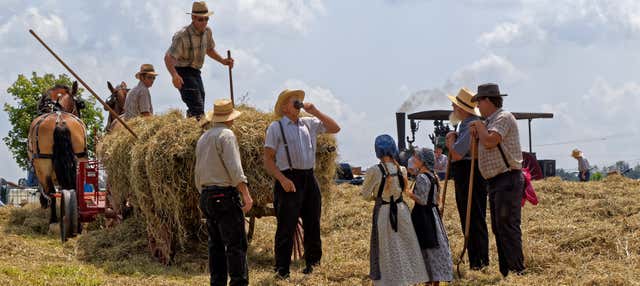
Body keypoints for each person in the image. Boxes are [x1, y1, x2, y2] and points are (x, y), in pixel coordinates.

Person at [263, 89, 340, 278]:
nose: (298, 103)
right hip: (289, 178)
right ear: (284, 107)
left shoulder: (309, 123)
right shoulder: (276, 127)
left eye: (299, 100)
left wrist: (315, 111)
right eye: (293, 101)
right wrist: (282, 180)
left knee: (313, 222)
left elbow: (335, 128)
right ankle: (282, 270)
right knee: (286, 226)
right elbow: (268, 159)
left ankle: (313, 264)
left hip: (308, 177)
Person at [469, 83, 526, 277]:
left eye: (479, 102)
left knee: (507, 226)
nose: (478, 106)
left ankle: (516, 271)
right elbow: (481, 147)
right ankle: (506, 272)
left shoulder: (503, 117)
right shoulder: (488, 122)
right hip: (495, 182)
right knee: (498, 227)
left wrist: (479, 127)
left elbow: (491, 141)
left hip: (507, 178)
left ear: (487, 100)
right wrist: (477, 133)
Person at [195, 99, 253, 286]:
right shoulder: (226, 135)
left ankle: (217, 282)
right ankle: (238, 282)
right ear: (229, 119)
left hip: (206, 195)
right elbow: (234, 168)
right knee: (236, 244)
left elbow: (198, 172)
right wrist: (245, 193)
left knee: (216, 245)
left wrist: (204, 194)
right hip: (224, 195)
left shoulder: (203, 137)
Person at [361, 135, 428, 286]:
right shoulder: (402, 169)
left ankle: (387, 280)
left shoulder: (374, 170)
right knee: (405, 243)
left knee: (385, 246)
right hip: (401, 210)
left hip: (384, 211)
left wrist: (376, 197)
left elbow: (365, 195)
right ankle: (408, 277)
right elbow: (404, 190)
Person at [444, 87, 490, 270]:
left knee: (471, 216)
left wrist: (449, 141)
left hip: (469, 174)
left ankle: (477, 261)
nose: (452, 108)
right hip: (471, 173)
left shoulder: (470, 125)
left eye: (454, 105)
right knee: (474, 217)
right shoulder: (468, 124)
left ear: (461, 109)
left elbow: (456, 154)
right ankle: (479, 260)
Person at [164, 1, 234, 119]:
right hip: (182, 71)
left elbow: (209, 50)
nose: (204, 23)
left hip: (196, 72)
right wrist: (174, 75)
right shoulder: (182, 35)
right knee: (197, 105)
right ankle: (197, 130)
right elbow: (168, 57)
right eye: (201, 20)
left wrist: (222, 61)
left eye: (206, 19)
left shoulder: (207, 32)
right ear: (193, 17)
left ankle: (191, 124)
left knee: (200, 98)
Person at [408, 148, 453, 285]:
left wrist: (408, 192)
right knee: (432, 248)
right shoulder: (433, 176)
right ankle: (434, 280)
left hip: (423, 216)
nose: (413, 159)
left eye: (416, 157)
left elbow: (421, 200)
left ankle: (427, 279)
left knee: (425, 247)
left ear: (423, 161)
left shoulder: (422, 177)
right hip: (432, 215)